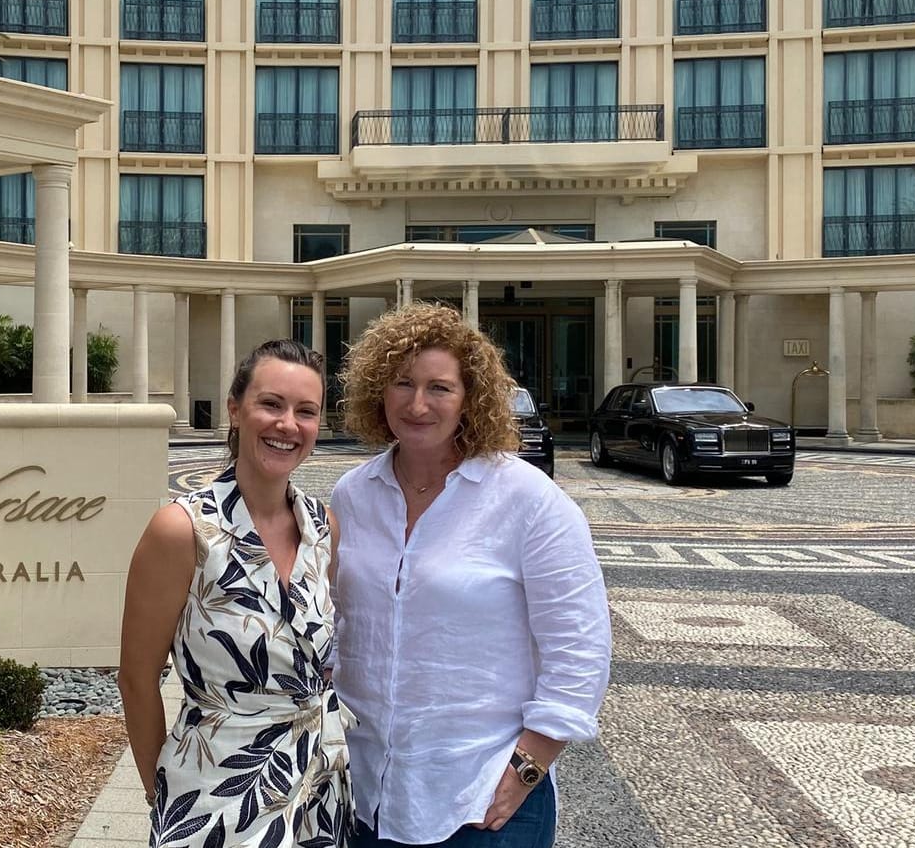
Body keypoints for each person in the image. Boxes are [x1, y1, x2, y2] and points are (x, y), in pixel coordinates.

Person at [331, 302, 611, 848]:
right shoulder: (352, 494)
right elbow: (341, 628)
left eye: (439, 387)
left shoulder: (528, 500)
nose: (417, 404)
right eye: (401, 383)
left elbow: (580, 646)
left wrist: (527, 769)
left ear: (471, 398)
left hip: (481, 800)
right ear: (376, 392)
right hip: (364, 797)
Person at [119, 339, 351, 848]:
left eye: (305, 411)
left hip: (317, 792)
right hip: (213, 798)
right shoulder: (182, 531)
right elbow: (136, 679)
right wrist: (163, 793)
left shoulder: (323, 528)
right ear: (235, 409)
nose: (287, 424)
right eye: (271, 404)